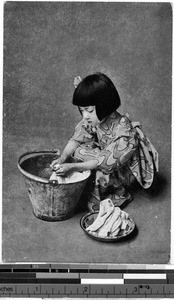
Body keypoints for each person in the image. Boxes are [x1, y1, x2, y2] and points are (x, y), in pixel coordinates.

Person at [50, 72, 158, 212]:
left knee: (102, 170)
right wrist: (63, 157)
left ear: (104, 105)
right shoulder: (95, 118)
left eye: (89, 110)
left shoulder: (125, 131)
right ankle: (94, 182)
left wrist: (72, 167)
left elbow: (106, 162)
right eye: (82, 110)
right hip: (105, 156)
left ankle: (121, 194)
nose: (85, 116)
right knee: (78, 150)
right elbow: (77, 138)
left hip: (122, 168)